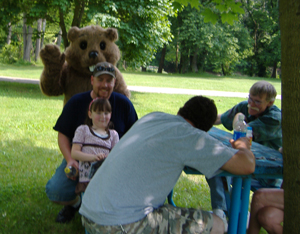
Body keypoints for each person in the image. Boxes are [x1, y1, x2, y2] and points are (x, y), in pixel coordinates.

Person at [79, 95, 255, 234]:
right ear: (204, 128)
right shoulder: (191, 136)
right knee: (216, 224)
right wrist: (243, 145)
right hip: (120, 224)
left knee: (170, 214)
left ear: (182, 110)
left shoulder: (153, 117)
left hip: (89, 212)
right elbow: (247, 165)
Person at [46, 62, 138, 223]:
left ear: (114, 83)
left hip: (112, 165)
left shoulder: (124, 105)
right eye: (100, 79)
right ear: (92, 80)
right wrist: (70, 160)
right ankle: (75, 204)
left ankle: (105, 213)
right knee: (55, 190)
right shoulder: (76, 102)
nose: (105, 84)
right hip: (80, 161)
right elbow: (63, 135)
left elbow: (135, 137)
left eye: (109, 80)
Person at [208, 81, 282, 221]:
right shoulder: (244, 107)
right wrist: (196, 121)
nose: (252, 104)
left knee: (223, 167)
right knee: (214, 165)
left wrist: (238, 118)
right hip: (245, 163)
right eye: (250, 98)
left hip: (268, 174)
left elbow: (243, 131)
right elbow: (220, 119)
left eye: (258, 102)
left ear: (270, 103)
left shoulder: (274, 118)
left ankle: (238, 216)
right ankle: (221, 213)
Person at [71, 98, 119, 194]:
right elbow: (74, 153)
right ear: (90, 114)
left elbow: (116, 156)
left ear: (111, 114)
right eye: (98, 113)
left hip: (105, 180)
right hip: (87, 180)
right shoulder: (83, 130)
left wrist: (105, 158)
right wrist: (93, 157)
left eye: (106, 113)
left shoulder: (113, 134)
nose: (103, 116)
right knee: (87, 205)